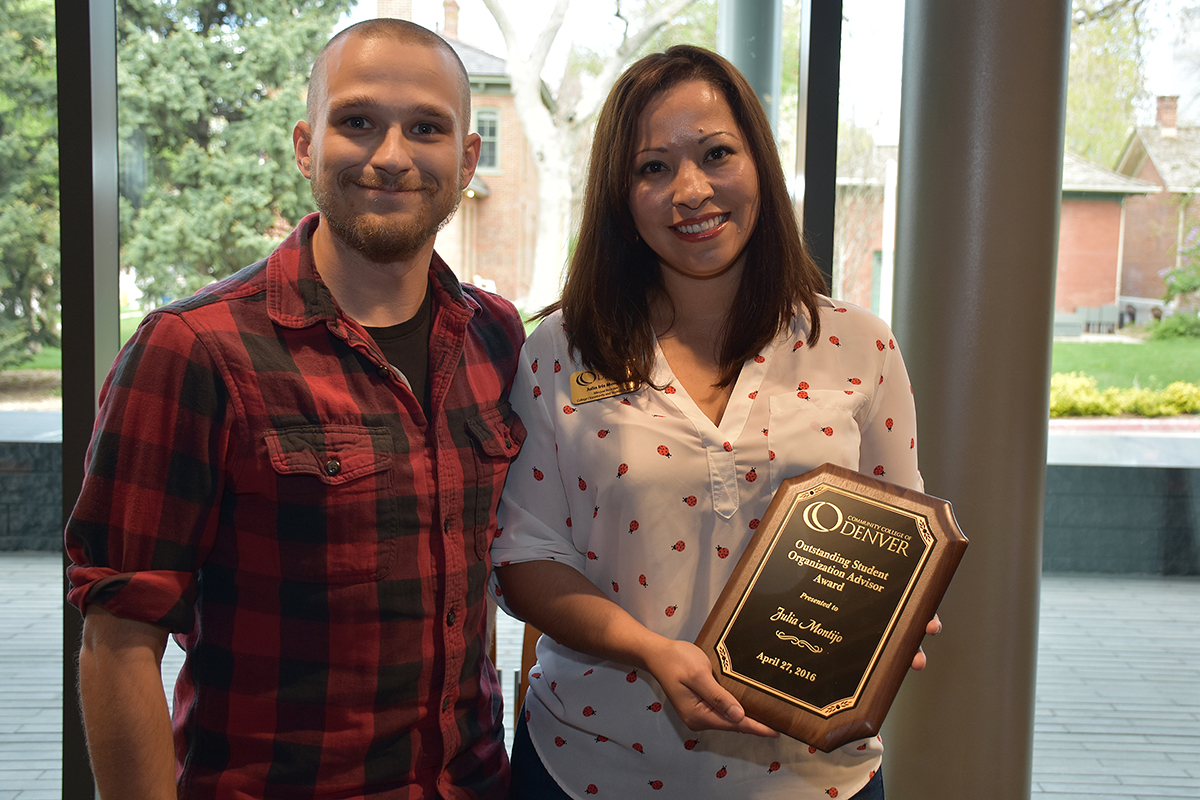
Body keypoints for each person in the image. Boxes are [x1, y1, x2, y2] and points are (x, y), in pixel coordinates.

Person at [64, 19, 525, 799]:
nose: (391, 155)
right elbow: (118, 639)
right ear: (306, 146)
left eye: (425, 128)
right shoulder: (192, 349)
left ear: (466, 157)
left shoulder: (495, 336)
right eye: (358, 122)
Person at [491, 45, 939, 800]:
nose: (690, 190)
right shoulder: (560, 352)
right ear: (621, 198)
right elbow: (525, 557)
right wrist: (651, 650)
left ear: (758, 162)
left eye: (716, 153)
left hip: (814, 777)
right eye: (652, 168)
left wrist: (893, 615)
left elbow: (898, 532)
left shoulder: (859, 344)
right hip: (593, 768)